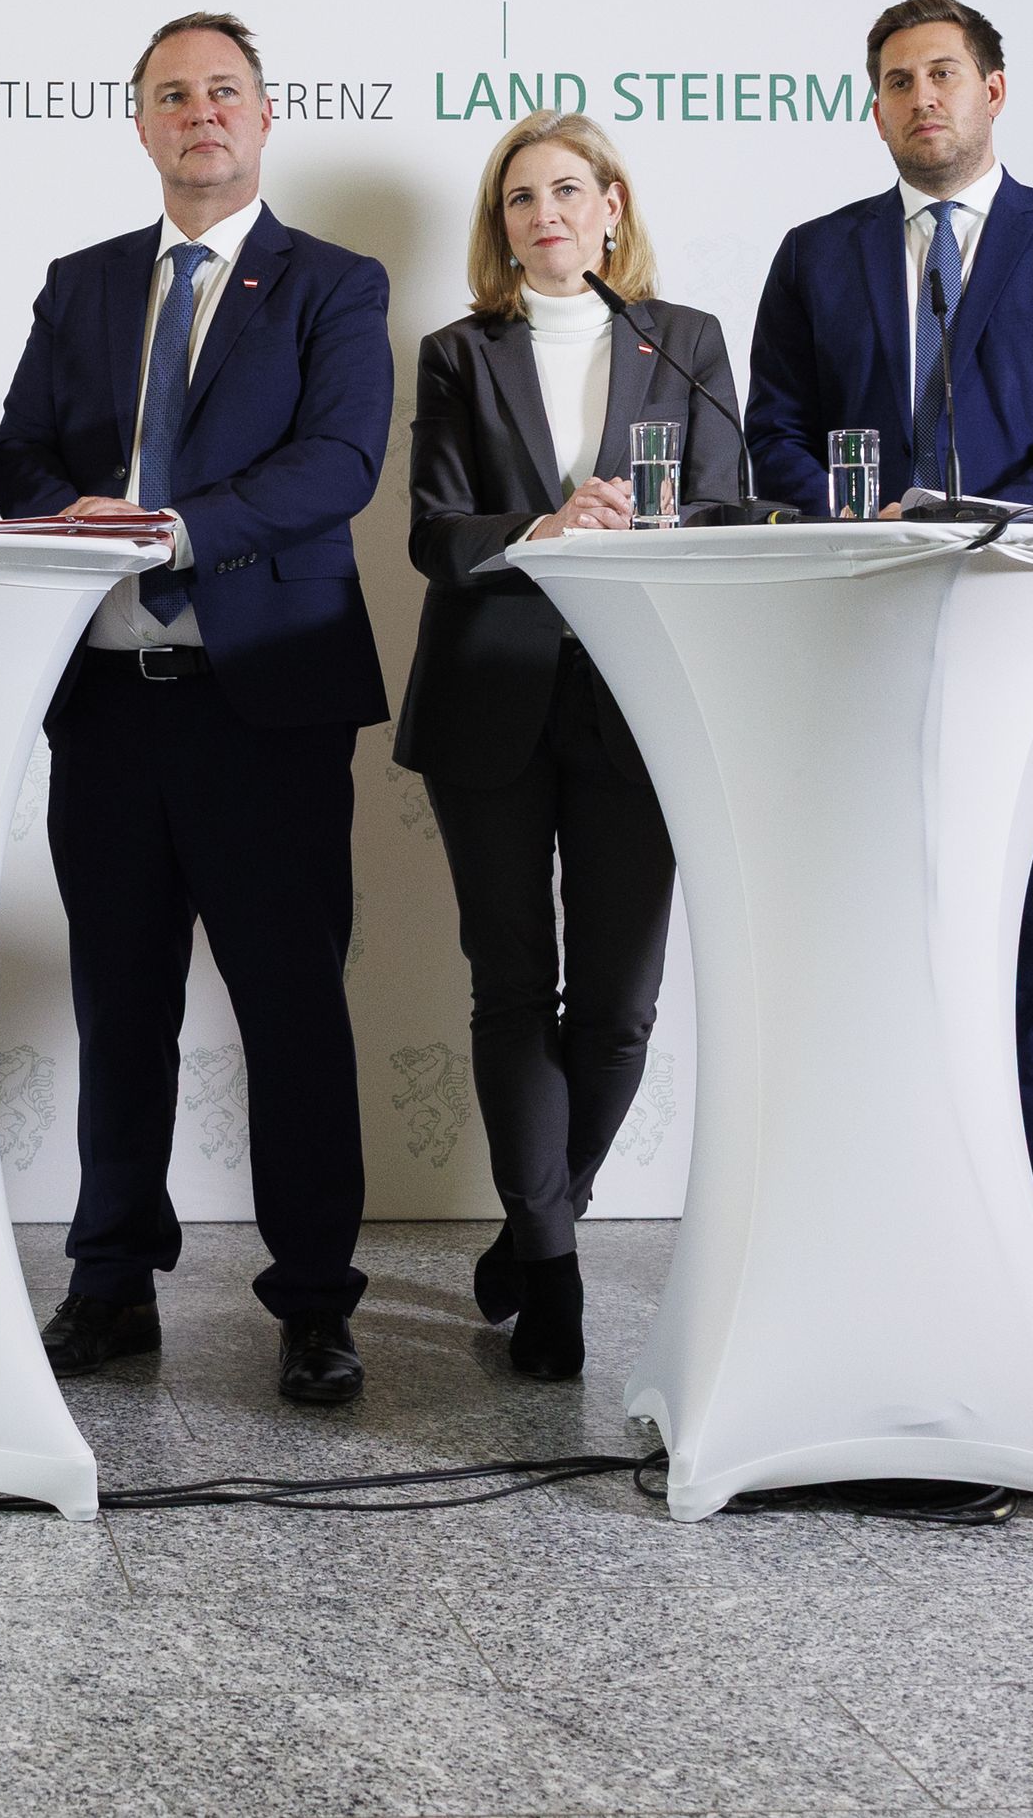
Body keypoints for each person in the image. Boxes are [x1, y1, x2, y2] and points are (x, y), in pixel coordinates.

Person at [747, 0, 1033, 1380]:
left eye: (941, 72)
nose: (919, 95)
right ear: (875, 107)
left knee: (1032, 954)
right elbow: (776, 434)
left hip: (1027, 653)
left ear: (993, 88)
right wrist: (878, 533)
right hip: (853, 654)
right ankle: (871, 1256)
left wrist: (976, 531)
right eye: (892, 79)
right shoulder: (816, 256)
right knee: (870, 959)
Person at [0, 10, 394, 1407]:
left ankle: (315, 1301)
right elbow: (19, 447)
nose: (199, 113)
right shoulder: (85, 282)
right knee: (121, 1003)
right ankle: (109, 1282)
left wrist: (168, 529)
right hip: (106, 701)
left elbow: (339, 460)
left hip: (265, 701)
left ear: (265, 117)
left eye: (223, 91)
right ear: (142, 123)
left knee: (292, 1009)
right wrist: (75, 512)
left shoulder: (334, 283)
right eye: (173, 94)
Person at [393, 112, 738, 1381]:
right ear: (501, 227)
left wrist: (643, 522)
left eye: (566, 191)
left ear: (610, 207)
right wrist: (541, 524)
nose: (543, 214)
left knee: (620, 1010)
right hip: (490, 694)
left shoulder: (683, 342)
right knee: (507, 990)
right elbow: (435, 533)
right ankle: (550, 1273)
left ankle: (543, 1213)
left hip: (639, 700)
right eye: (518, 199)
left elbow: (726, 507)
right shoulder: (456, 354)